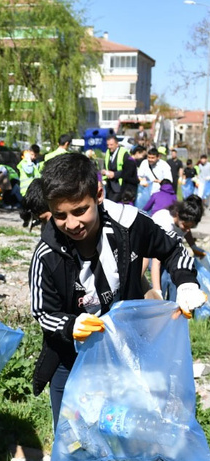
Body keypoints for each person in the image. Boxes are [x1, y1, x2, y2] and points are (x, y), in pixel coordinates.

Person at [29, 153, 206, 429]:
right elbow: (42, 311)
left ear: (98, 194)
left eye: (79, 211)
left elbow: (173, 249)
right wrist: (72, 324)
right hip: (71, 361)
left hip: (128, 355)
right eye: (60, 215)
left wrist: (185, 282)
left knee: (125, 434)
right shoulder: (46, 254)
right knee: (74, 438)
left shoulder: (129, 223)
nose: (72, 224)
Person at [149, 196, 205, 301]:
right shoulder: (165, 225)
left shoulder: (183, 222)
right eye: (186, 226)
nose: (187, 230)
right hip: (152, 252)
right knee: (164, 278)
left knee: (176, 277)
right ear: (178, 215)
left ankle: (175, 305)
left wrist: (193, 247)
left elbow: (186, 232)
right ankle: (159, 304)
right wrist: (157, 291)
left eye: (190, 227)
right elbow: (156, 262)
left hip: (169, 251)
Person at [101, 134, 137, 203]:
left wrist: (114, 174)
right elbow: (106, 165)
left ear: (117, 144)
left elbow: (128, 171)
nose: (109, 147)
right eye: (108, 145)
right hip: (109, 186)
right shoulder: (108, 152)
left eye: (111, 145)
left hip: (120, 186)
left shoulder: (124, 154)